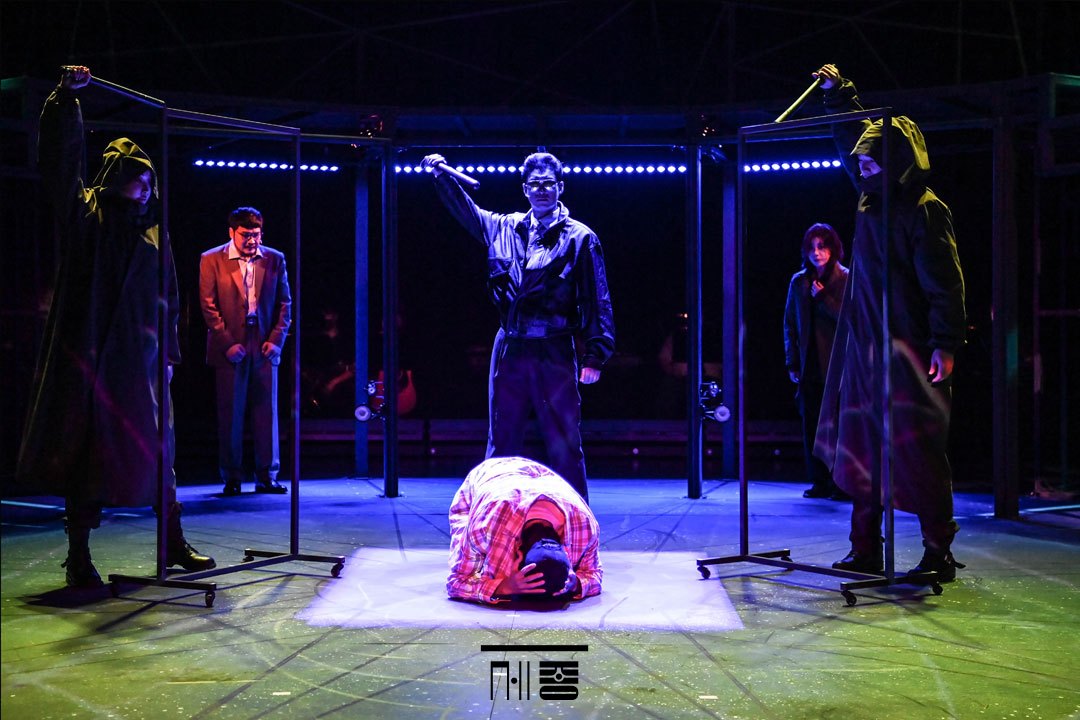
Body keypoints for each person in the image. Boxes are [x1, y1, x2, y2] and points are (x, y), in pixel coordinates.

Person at [17, 65, 215, 588]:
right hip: (90, 360)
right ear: (115, 180)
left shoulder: (155, 233)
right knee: (86, 455)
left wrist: (169, 357)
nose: (147, 190)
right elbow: (61, 163)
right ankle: (78, 556)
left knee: (160, 453)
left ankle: (173, 542)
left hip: (141, 367)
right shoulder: (86, 217)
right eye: (139, 181)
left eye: (151, 183)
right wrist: (65, 102)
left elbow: (170, 299)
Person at [812, 64, 967, 580]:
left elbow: (945, 284)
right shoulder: (868, 199)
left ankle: (938, 551)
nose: (862, 169)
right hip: (866, 346)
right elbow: (852, 142)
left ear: (895, 163)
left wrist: (945, 342)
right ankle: (864, 548)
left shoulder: (924, 210)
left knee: (917, 448)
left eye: (872, 163)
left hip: (908, 347)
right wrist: (839, 96)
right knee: (862, 443)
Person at [420, 152, 615, 503]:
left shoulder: (580, 238)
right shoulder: (504, 227)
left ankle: (576, 523)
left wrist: (595, 355)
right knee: (501, 440)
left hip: (554, 349)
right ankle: (494, 519)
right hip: (510, 348)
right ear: (525, 189)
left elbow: (596, 296)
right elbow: (467, 212)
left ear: (560, 187)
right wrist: (441, 176)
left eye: (548, 184)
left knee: (565, 442)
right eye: (535, 184)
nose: (542, 190)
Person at [199, 207, 291, 495]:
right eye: (245, 235)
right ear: (232, 233)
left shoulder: (274, 259)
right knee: (231, 413)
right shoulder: (211, 259)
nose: (252, 240)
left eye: (256, 234)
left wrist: (276, 340)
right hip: (231, 344)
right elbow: (208, 306)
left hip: (263, 342)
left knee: (267, 411)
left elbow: (285, 303)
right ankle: (232, 477)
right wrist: (227, 343)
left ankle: (267, 475)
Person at [447, 456, 602, 605]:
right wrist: (503, 587)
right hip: (492, 477)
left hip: (509, 482)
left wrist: (576, 585)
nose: (548, 546)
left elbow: (594, 575)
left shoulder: (587, 527)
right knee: (482, 562)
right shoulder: (485, 525)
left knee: (482, 564)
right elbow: (456, 582)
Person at [783, 223, 850, 499]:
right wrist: (792, 362)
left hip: (838, 367)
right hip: (809, 365)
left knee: (838, 426)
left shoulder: (845, 278)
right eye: (812, 247)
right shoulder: (799, 282)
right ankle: (820, 481)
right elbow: (789, 324)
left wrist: (824, 298)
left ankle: (841, 483)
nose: (816, 252)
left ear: (833, 248)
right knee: (812, 425)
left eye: (822, 246)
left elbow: (851, 320)